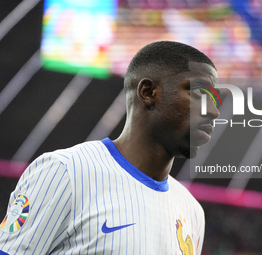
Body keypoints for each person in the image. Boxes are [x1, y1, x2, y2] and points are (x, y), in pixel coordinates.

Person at [0, 41, 220, 254]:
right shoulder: (66, 172)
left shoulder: (192, 212)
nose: (213, 111)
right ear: (148, 92)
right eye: (200, 94)